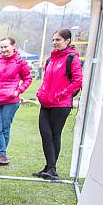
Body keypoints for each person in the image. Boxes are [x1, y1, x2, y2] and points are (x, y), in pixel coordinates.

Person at [34, 28, 83, 181]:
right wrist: (40, 92)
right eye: (54, 40)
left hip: (61, 104)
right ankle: (49, 166)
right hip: (46, 103)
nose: (55, 42)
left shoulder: (72, 58)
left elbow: (78, 81)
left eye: (58, 40)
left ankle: (52, 169)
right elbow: (46, 80)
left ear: (67, 41)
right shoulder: (51, 59)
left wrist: (62, 94)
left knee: (54, 135)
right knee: (45, 134)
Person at [0, 37, 33, 166]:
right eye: (1, 47)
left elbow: (28, 79)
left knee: (5, 128)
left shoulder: (20, 62)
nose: (3, 50)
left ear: (14, 46)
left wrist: (18, 91)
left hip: (11, 100)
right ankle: (1, 153)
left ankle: (2, 155)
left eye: (6, 47)